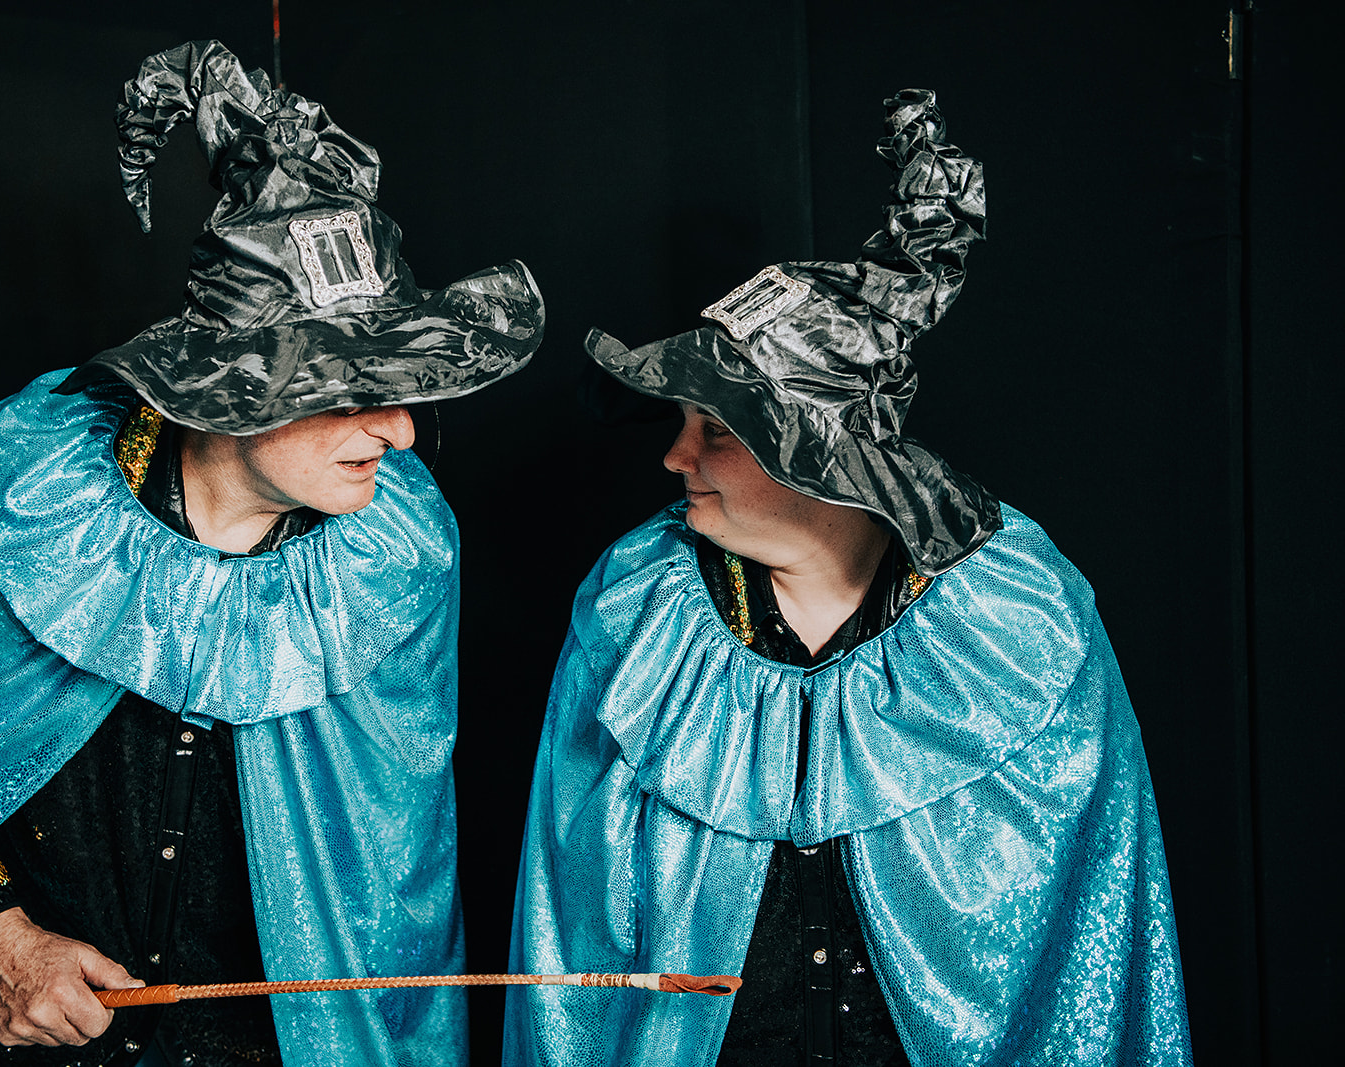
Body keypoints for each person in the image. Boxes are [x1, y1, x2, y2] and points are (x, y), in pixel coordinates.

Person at [0, 40, 544, 1067]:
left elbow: (393, 858)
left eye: (406, 389)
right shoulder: (28, 487)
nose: (397, 432)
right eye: (353, 390)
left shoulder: (400, 544)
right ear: (232, 376)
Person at [505, 89, 1191, 1066]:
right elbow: (570, 918)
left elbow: (1091, 933)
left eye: (714, 430)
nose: (673, 457)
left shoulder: (1018, 615)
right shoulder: (637, 610)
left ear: (820, 453)